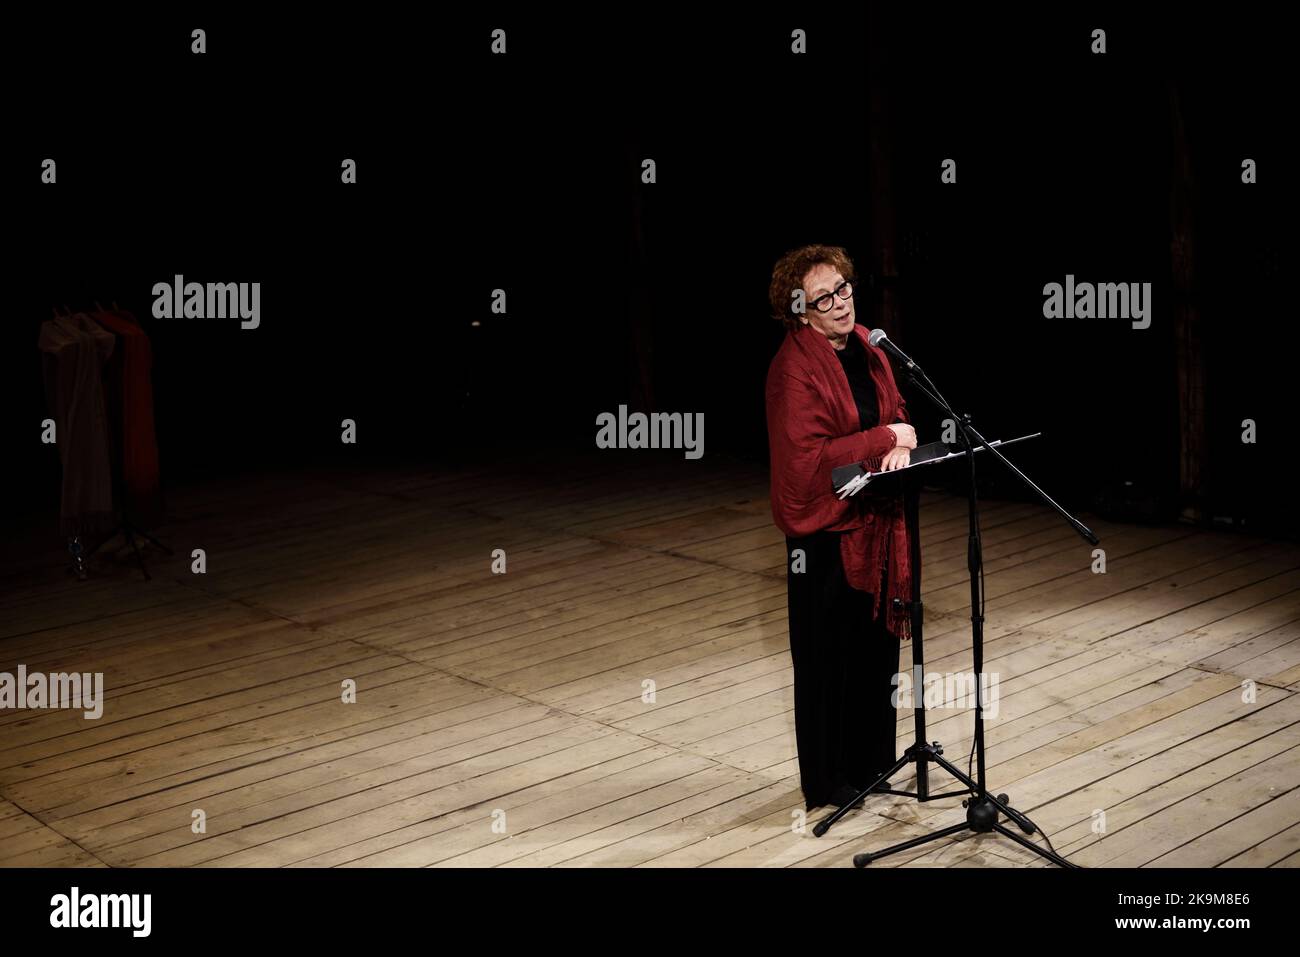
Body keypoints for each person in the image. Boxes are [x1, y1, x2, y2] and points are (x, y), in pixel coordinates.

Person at [764, 244, 919, 811]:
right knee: (826, 660)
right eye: (822, 298)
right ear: (799, 311)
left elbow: (898, 411)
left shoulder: (869, 348)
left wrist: (901, 445)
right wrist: (885, 441)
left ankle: (872, 767)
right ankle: (829, 785)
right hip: (822, 538)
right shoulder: (792, 370)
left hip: (873, 519)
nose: (839, 304)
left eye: (844, 289)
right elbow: (808, 462)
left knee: (873, 650)